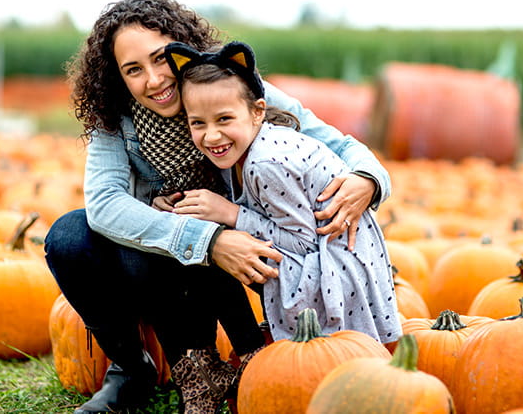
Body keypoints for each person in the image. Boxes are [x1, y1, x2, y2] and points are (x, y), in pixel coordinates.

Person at [44, 0, 392, 414]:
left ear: (183, 48)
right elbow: (105, 204)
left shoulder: (229, 86)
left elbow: (332, 140)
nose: (154, 80)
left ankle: (252, 356)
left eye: (160, 59)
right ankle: (134, 368)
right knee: (70, 237)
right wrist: (207, 239)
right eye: (133, 70)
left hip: (272, 241)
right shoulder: (117, 118)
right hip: (183, 243)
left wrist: (368, 181)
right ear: (117, 78)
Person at [165, 40, 402, 343]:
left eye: (224, 119)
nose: (211, 135)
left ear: (257, 112)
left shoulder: (265, 163)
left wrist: (230, 214)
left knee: (209, 247)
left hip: (336, 270)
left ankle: (252, 343)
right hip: (335, 256)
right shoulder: (242, 148)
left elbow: (302, 244)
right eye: (197, 123)